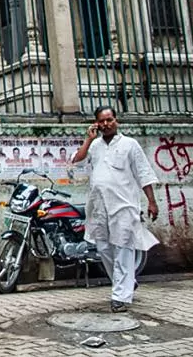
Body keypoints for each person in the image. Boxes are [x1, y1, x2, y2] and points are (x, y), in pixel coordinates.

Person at [72, 106, 160, 313]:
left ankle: (120, 296)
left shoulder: (130, 144)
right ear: (96, 123)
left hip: (124, 206)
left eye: (109, 120)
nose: (106, 124)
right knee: (103, 248)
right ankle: (127, 283)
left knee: (123, 248)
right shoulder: (94, 146)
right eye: (101, 121)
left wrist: (152, 201)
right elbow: (77, 160)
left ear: (116, 120)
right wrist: (88, 140)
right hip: (99, 206)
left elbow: (143, 173)